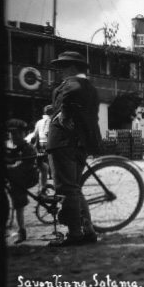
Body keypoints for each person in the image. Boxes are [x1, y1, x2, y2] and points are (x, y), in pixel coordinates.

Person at [47, 51, 101, 246]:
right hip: (79, 143)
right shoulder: (90, 87)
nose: (60, 71)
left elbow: (71, 92)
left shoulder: (73, 84)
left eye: (62, 67)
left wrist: (64, 111)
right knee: (75, 188)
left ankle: (75, 234)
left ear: (70, 68)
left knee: (66, 189)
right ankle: (88, 231)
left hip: (63, 142)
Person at [5, 119, 38, 244]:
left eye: (19, 133)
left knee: (18, 203)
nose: (15, 136)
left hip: (27, 177)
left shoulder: (28, 148)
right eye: (12, 134)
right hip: (15, 177)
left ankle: (21, 230)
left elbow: (25, 165)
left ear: (25, 133)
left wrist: (9, 169)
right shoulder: (10, 148)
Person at [32, 105, 54, 195]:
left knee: (43, 167)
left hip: (42, 145)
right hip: (52, 146)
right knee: (50, 166)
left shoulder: (39, 122)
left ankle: (43, 187)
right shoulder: (54, 120)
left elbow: (35, 135)